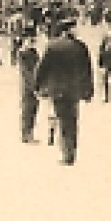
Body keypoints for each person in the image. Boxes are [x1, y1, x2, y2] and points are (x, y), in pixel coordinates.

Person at [34, 16, 94, 165]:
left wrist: (37, 86)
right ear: (70, 30)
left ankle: (65, 152)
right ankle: (71, 153)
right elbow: (87, 71)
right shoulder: (81, 47)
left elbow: (42, 68)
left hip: (57, 90)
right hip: (74, 90)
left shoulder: (52, 46)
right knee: (72, 121)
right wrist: (88, 91)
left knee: (61, 120)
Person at [15, 24, 43, 144]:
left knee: (33, 109)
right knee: (27, 109)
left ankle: (29, 132)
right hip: (28, 86)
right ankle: (25, 134)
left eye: (33, 40)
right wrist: (33, 85)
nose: (32, 42)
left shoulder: (33, 52)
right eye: (31, 40)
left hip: (35, 85)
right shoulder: (23, 53)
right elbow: (26, 72)